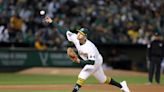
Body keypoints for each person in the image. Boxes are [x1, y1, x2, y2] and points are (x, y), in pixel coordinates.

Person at [44, 16, 130, 92]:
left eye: (81, 34)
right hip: (93, 60)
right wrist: (52, 22)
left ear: (85, 36)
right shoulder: (75, 38)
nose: (78, 34)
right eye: (78, 32)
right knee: (103, 80)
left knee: (82, 75)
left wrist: (79, 61)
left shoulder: (89, 47)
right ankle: (122, 85)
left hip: (95, 61)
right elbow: (64, 31)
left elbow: (92, 62)